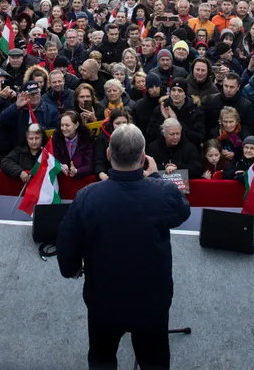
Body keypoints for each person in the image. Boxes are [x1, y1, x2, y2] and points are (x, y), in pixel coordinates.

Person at [57, 123, 190, 369]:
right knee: (154, 361)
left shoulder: (87, 196)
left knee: (102, 358)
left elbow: (67, 240)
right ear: (143, 157)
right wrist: (156, 175)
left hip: (103, 299)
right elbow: (182, 212)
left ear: (108, 154)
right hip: (151, 300)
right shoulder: (164, 192)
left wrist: (71, 268)